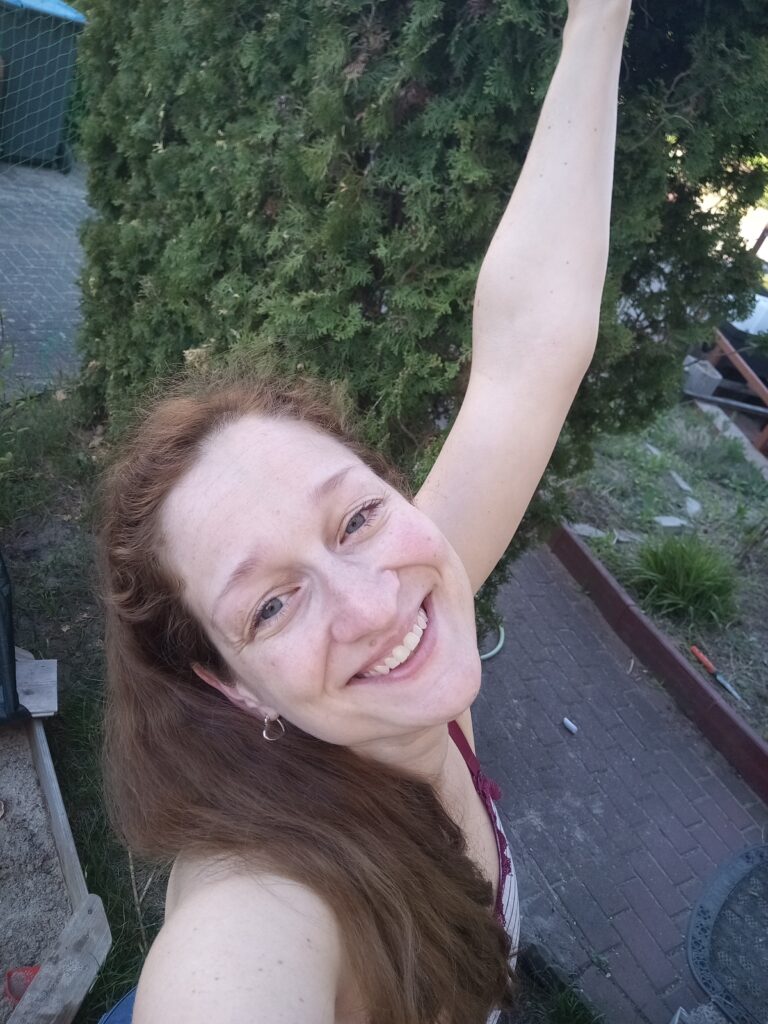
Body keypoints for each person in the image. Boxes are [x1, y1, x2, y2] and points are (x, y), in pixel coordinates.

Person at [97, 2, 632, 1021]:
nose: (374, 605)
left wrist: (599, 16)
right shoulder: (258, 908)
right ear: (230, 683)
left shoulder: (412, 657)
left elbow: (529, 356)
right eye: (270, 606)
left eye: (355, 519)